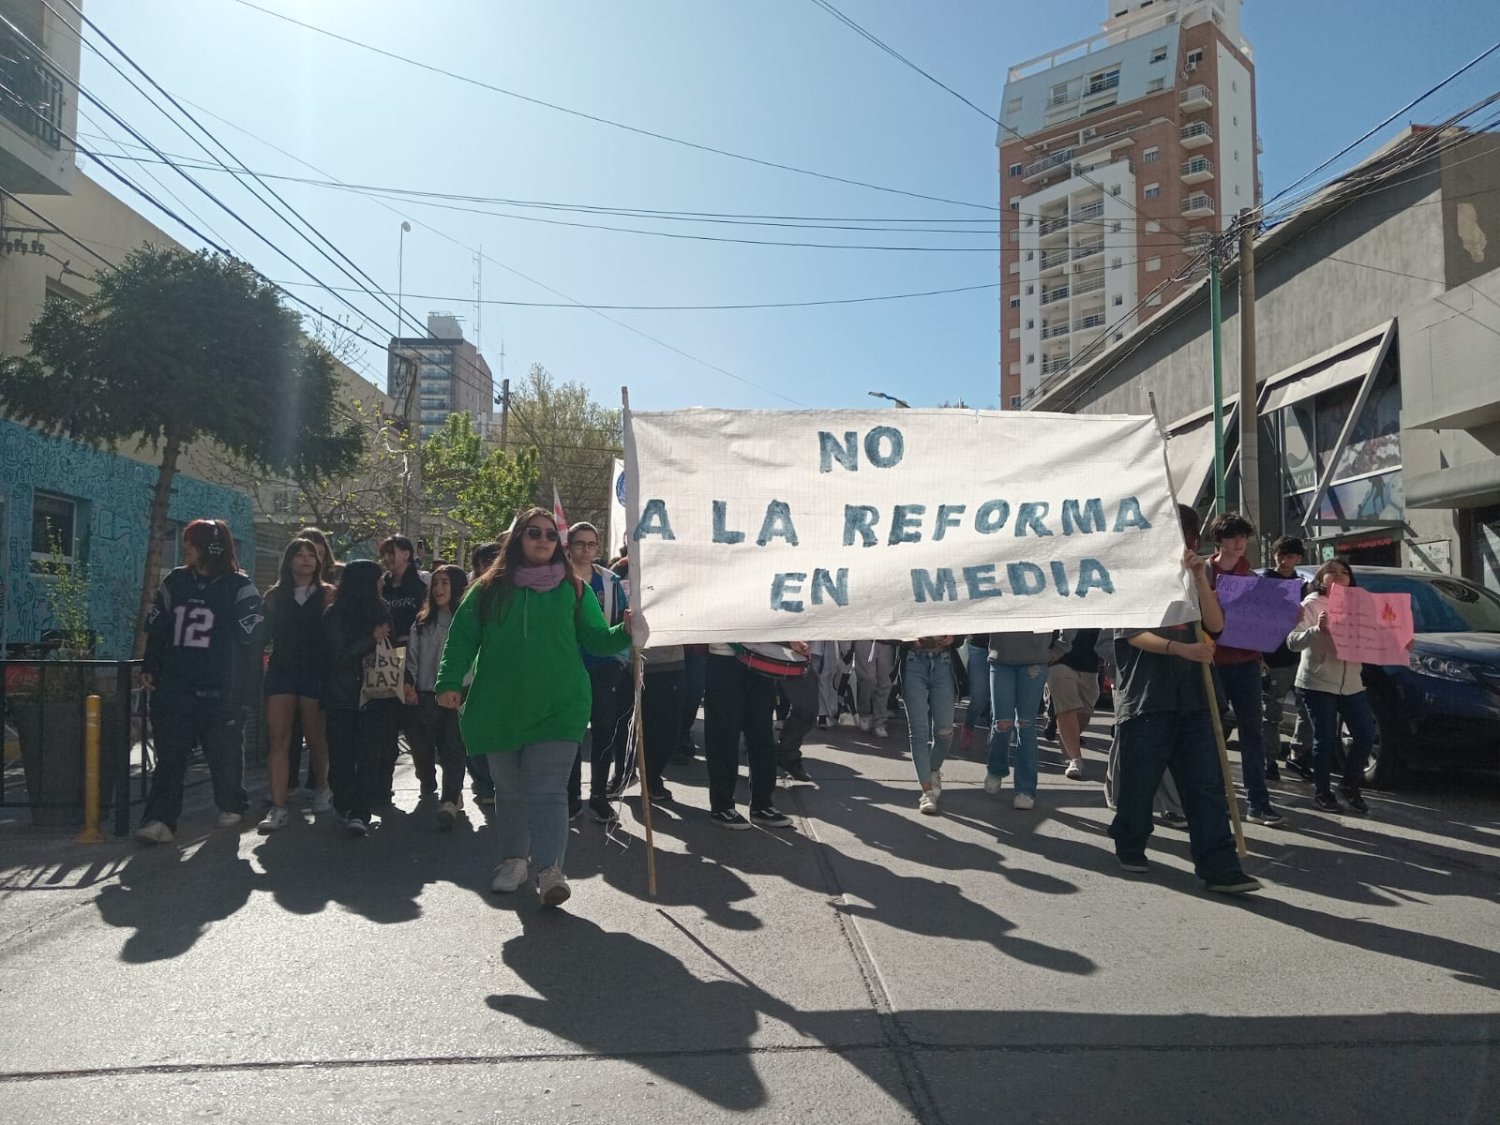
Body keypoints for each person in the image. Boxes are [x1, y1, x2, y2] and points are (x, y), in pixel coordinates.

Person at [436, 507, 631, 907]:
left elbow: (596, 639)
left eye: (548, 534)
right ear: (517, 539)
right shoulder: (485, 590)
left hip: (559, 705)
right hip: (499, 706)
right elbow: (461, 639)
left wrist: (626, 631)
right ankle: (513, 861)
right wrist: (449, 682)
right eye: (533, 533)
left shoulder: (575, 589)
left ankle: (549, 871)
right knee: (509, 792)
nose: (542, 540)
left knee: (547, 789)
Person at [1108, 504, 1262, 895]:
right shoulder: (1134, 574)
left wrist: (1199, 578)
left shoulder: (1198, 573)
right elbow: (1131, 634)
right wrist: (1181, 650)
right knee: (1139, 783)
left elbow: (1215, 624)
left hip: (1196, 697)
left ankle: (1220, 866)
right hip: (1146, 698)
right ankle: (1130, 842)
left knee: (1205, 785)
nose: (1186, 542)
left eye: (1189, 535)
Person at [135, 520, 265, 844]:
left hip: (221, 685)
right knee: (171, 754)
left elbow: (254, 638)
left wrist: (248, 686)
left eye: (192, 541)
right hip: (176, 683)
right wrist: (150, 664)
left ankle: (232, 801)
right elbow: (157, 628)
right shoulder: (175, 581)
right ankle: (161, 820)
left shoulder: (239, 587)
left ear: (211, 547)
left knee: (223, 752)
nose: (186, 547)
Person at [1207, 514, 1283, 826]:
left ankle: (1258, 802)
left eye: (1243, 537)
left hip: (1246, 662)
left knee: (1252, 731)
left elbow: (1263, 623)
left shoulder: (1252, 577)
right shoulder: (1203, 572)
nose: (1239, 543)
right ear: (1220, 540)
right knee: (1213, 732)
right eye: (1232, 537)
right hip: (1211, 662)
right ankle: (1215, 799)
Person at [1287, 558, 1378, 815]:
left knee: (1365, 734)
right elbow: (1292, 642)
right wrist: (1317, 629)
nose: (1339, 576)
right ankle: (1322, 792)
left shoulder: (1363, 604)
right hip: (1317, 682)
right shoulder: (1312, 604)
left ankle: (1349, 785)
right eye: (1332, 572)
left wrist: (1399, 644)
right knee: (1324, 739)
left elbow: (1378, 635)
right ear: (1320, 578)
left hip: (1351, 682)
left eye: (1344, 573)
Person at [257, 538, 333, 833]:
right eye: (298, 554)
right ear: (288, 561)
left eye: (310, 555)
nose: (305, 559)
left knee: (316, 737)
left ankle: (322, 786)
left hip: (315, 672)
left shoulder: (328, 595)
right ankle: (278, 806)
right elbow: (262, 636)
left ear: (318, 561)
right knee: (279, 739)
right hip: (282, 670)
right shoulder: (274, 596)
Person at [561, 521, 634, 823]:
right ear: (569, 546)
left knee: (604, 729)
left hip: (604, 664)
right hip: (567, 664)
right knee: (572, 732)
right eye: (580, 543)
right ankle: (570, 795)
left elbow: (622, 620)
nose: (586, 549)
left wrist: (622, 659)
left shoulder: (611, 581)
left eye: (592, 544)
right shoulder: (556, 579)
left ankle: (599, 796)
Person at [321, 560, 396, 838]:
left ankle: (360, 812)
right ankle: (344, 802)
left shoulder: (382, 609)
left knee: (368, 755)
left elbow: (393, 644)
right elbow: (337, 657)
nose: (382, 584)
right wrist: (370, 639)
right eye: (378, 579)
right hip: (343, 696)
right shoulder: (334, 614)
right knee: (341, 755)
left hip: (375, 694)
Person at [405, 565, 470, 830]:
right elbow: (412, 657)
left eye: (445, 583)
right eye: (435, 584)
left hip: (458, 694)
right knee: (423, 744)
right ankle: (428, 779)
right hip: (426, 693)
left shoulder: (466, 620)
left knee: (453, 747)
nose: (440, 589)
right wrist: (409, 684)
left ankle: (449, 800)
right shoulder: (422, 623)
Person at [703, 645, 796, 831]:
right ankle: (722, 806)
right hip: (724, 657)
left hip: (761, 659)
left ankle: (763, 804)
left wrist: (791, 642)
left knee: (762, 734)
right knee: (724, 735)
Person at [984, 631, 1061, 810]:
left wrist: (1062, 646)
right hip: (1001, 658)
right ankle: (996, 767)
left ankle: (1025, 789)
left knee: (1025, 725)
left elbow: (1070, 608)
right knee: (1002, 723)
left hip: (1035, 660)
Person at [378, 534, 428, 801]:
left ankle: (426, 777)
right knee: (386, 727)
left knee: (414, 727)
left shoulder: (421, 585)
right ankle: (383, 786)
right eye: (384, 553)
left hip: (413, 660)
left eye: (392, 552)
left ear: (407, 554)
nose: (387, 558)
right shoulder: (381, 586)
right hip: (384, 661)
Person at [1259, 536, 1313, 780]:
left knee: (1307, 709)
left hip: (1300, 656)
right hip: (1273, 656)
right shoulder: (1263, 581)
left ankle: (1298, 755)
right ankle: (1269, 760)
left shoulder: (1303, 586)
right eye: (1280, 555)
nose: (1283, 560)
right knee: (1272, 712)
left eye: (1289, 556)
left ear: (1298, 559)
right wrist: (1258, 655)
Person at [464, 541, 502, 807]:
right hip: (471, 675)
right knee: (473, 731)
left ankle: (496, 782)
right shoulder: (471, 594)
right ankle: (482, 782)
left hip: (501, 676)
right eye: (485, 561)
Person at [899, 636, 956, 815]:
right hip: (913, 661)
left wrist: (955, 636)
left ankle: (932, 770)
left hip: (943, 662)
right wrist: (907, 638)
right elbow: (885, 625)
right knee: (918, 732)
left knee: (945, 732)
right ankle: (927, 791)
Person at [1049, 629, 1102, 781]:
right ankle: (1075, 759)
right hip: (1060, 660)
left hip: (1090, 662)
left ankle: (1065, 734)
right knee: (1067, 708)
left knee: (1085, 712)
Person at [852, 639, 896, 737]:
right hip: (865, 636)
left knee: (885, 682)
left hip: (886, 639)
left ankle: (879, 722)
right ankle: (864, 713)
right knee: (868, 679)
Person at [958, 633, 990, 750]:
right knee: (979, 697)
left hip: (1003, 647)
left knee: (998, 697)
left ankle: (994, 731)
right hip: (978, 646)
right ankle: (968, 725)